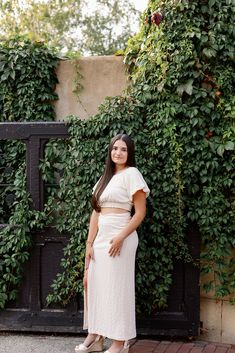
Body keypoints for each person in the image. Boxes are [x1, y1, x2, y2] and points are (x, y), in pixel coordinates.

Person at [75, 133, 150, 353]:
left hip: (122, 237)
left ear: (130, 153)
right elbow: (95, 214)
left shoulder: (132, 174)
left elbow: (140, 213)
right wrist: (89, 244)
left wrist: (120, 237)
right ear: (110, 151)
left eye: (124, 149)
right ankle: (96, 335)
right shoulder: (104, 178)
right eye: (115, 148)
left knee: (118, 289)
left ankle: (119, 342)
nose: (118, 152)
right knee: (94, 285)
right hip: (100, 240)